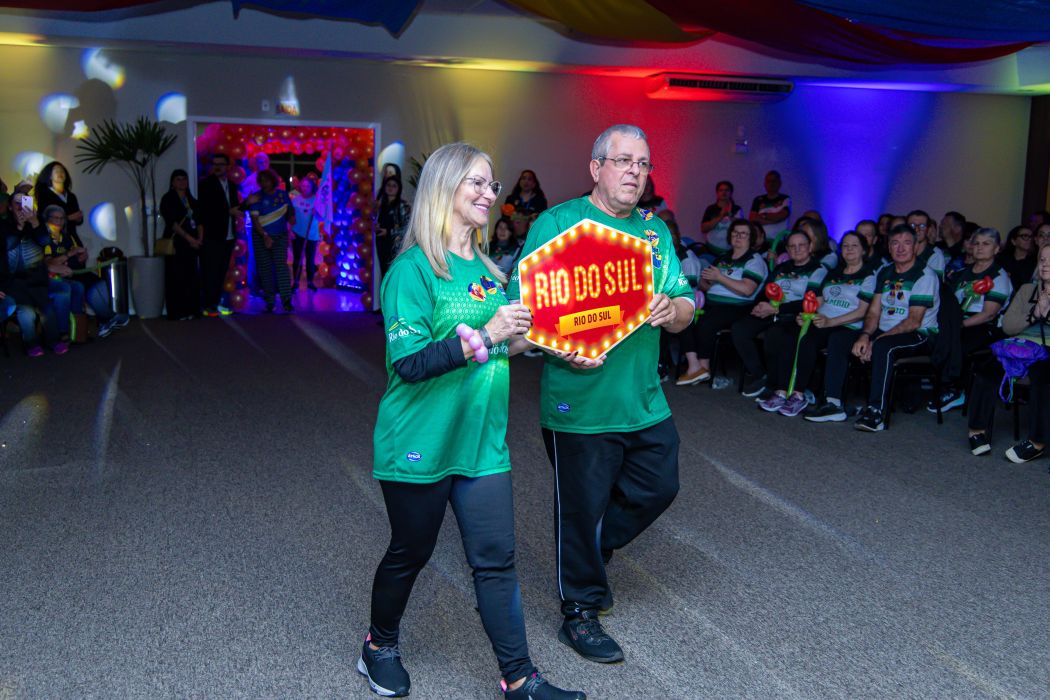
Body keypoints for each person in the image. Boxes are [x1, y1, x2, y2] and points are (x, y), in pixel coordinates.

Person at [363, 142, 584, 700]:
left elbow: (507, 341)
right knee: (411, 552)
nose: (491, 194)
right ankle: (378, 646)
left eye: (492, 184)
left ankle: (520, 678)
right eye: (477, 183)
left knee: (496, 562)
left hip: (482, 443)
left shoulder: (488, 270)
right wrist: (487, 334)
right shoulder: (412, 271)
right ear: (444, 188)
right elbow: (410, 363)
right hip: (419, 440)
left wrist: (557, 346)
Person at [506, 124, 695, 665]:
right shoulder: (557, 224)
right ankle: (580, 611)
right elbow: (523, 313)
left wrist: (674, 310)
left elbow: (686, 305)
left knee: (658, 486)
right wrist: (560, 347)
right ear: (596, 168)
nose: (635, 171)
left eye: (643, 163)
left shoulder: (655, 233)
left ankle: (590, 546)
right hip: (579, 403)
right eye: (623, 161)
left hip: (643, 398)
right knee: (581, 506)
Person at [760, 231, 875, 417]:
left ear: (864, 250)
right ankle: (785, 391)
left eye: (854, 245)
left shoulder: (869, 276)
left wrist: (831, 321)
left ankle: (810, 396)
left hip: (849, 326)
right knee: (795, 334)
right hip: (824, 322)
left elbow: (862, 311)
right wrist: (806, 316)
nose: (849, 249)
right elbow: (817, 302)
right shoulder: (833, 273)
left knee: (832, 339)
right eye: (845, 245)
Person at [847, 223, 941, 432]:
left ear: (915, 247)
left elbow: (914, 321)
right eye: (895, 243)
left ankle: (876, 412)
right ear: (889, 247)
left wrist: (877, 340)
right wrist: (865, 335)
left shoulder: (924, 275)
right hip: (889, 331)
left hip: (920, 334)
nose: (900, 248)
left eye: (906, 243)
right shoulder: (885, 271)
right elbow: (873, 312)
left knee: (883, 347)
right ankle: (837, 401)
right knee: (849, 339)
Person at [967, 243, 1050, 462]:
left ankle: (1037, 442)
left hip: (1047, 350)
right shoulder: (1027, 290)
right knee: (986, 369)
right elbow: (1008, 326)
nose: (1045, 265)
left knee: (1043, 378)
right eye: (1042, 260)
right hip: (1020, 346)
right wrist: (1034, 314)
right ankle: (976, 431)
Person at [732, 229, 827, 398]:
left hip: (796, 315)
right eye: (792, 246)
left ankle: (774, 385)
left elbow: (810, 301)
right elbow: (765, 291)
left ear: (810, 247)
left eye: (801, 245)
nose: (797, 249)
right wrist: (760, 306)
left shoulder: (818, 270)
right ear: (787, 250)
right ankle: (762, 375)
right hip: (772, 311)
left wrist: (777, 309)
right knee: (740, 328)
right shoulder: (782, 268)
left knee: (776, 334)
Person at [928, 227, 1012, 413]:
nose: (980, 247)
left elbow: (989, 314)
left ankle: (955, 389)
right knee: (933, 338)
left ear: (997, 249)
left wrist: (959, 325)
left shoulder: (999, 276)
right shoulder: (961, 273)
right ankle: (940, 384)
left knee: (957, 341)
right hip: (956, 322)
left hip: (983, 326)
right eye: (977, 243)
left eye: (986, 244)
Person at [676, 218, 765, 385]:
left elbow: (747, 289)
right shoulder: (723, 258)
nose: (738, 236)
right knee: (684, 316)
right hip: (712, 302)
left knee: (708, 321)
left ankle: (704, 368)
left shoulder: (754, 260)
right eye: (735, 232)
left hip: (738, 306)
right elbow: (706, 285)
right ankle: (694, 366)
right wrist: (702, 280)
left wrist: (720, 277)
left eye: (743, 234)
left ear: (751, 238)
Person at [40, 204, 125, 338]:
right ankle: (108, 318)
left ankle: (104, 321)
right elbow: (49, 263)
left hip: (76, 271)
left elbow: (76, 257)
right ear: (47, 219)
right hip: (60, 276)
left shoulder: (67, 236)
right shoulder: (44, 238)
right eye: (56, 218)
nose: (59, 222)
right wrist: (69, 254)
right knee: (85, 287)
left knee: (99, 282)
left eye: (62, 219)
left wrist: (81, 257)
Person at [1, 200, 69, 356]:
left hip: (36, 278)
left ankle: (53, 341)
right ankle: (31, 343)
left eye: (24, 202)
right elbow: (8, 246)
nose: (21, 207)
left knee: (47, 308)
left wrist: (34, 222)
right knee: (26, 312)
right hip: (14, 280)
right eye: (17, 203)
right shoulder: (4, 226)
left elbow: (45, 241)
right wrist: (19, 226)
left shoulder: (36, 225)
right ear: (10, 207)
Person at [244, 169, 294, 313]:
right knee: (265, 269)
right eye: (261, 181)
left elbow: (290, 210)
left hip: (280, 236)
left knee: (281, 267)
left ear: (273, 180)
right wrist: (265, 235)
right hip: (261, 237)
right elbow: (255, 219)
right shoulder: (257, 197)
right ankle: (270, 302)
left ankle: (286, 301)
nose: (264, 183)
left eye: (267, 180)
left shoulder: (282, 194)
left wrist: (291, 220)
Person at [198, 153, 241, 317]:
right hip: (212, 235)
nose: (217, 167)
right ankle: (208, 305)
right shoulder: (206, 185)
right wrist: (228, 212)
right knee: (210, 272)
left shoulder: (232, 185)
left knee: (221, 272)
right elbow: (206, 210)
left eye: (220, 164)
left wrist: (247, 204)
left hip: (228, 236)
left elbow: (235, 207)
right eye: (215, 164)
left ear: (228, 166)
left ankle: (214, 304)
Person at [160, 169, 203, 320]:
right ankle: (177, 312)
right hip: (177, 243)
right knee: (176, 277)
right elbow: (172, 223)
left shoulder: (191, 200)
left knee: (191, 277)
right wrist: (189, 239)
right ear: (172, 182)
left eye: (184, 179)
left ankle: (191, 310)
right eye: (178, 179)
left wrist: (199, 239)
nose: (182, 182)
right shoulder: (168, 199)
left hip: (192, 245)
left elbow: (199, 221)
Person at [33, 161, 84, 243]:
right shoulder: (45, 195)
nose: (60, 173)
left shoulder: (71, 196)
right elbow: (43, 218)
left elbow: (78, 221)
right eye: (56, 171)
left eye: (62, 171)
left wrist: (79, 218)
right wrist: (68, 218)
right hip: (53, 239)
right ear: (50, 176)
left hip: (71, 237)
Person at [375, 175, 411, 276]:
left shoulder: (403, 206)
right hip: (381, 243)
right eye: (388, 185)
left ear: (399, 189)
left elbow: (406, 228)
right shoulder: (380, 205)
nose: (390, 188)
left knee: (393, 273)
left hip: (395, 245)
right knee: (383, 272)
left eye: (394, 186)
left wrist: (388, 232)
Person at [290, 175, 322, 291]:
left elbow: (322, 218)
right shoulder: (295, 200)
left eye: (307, 186)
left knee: (310, 259)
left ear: (312, 187)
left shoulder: (316, 200)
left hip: (311, 235)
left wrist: (316, 213)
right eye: (303, 186)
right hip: (297, 233)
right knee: (297, 259)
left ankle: (310, 282)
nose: (305, 188)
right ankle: (296, 282)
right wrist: (290, 231)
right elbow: (291, 217)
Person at [700, 180, 743, 258]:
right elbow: (703, 228)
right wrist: (721, 216)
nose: (724, 192)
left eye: (726, 190)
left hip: (730, 252)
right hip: (711, 249)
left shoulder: (737, 209)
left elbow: (742, 228)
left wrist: (729, 215)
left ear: (731, 193)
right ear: (717, 193)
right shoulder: (711, 209)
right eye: (721, 190)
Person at [749, 170, 791, 244]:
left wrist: (763, 216)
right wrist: (775, 221)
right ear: (765, 184)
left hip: (778, 242)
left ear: (779, 183)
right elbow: (752, 219)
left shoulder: (785, 199)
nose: (771, 183)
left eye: (774, 181)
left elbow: (782, 216)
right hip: (760, 241)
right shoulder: (758, 199)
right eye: (768, 181)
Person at [907, 209, 946, 280]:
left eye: (922, 226)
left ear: (928, 230)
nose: (917, 229)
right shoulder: (900, 251)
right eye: (912, 225)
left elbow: (935, 283)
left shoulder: (935, 255)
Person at [999, 225, 1037, 290]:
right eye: (1025, 236)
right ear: (1013, 241)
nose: (1029, 239)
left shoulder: (1035, 261)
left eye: (1031, 237)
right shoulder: (1002, 259)